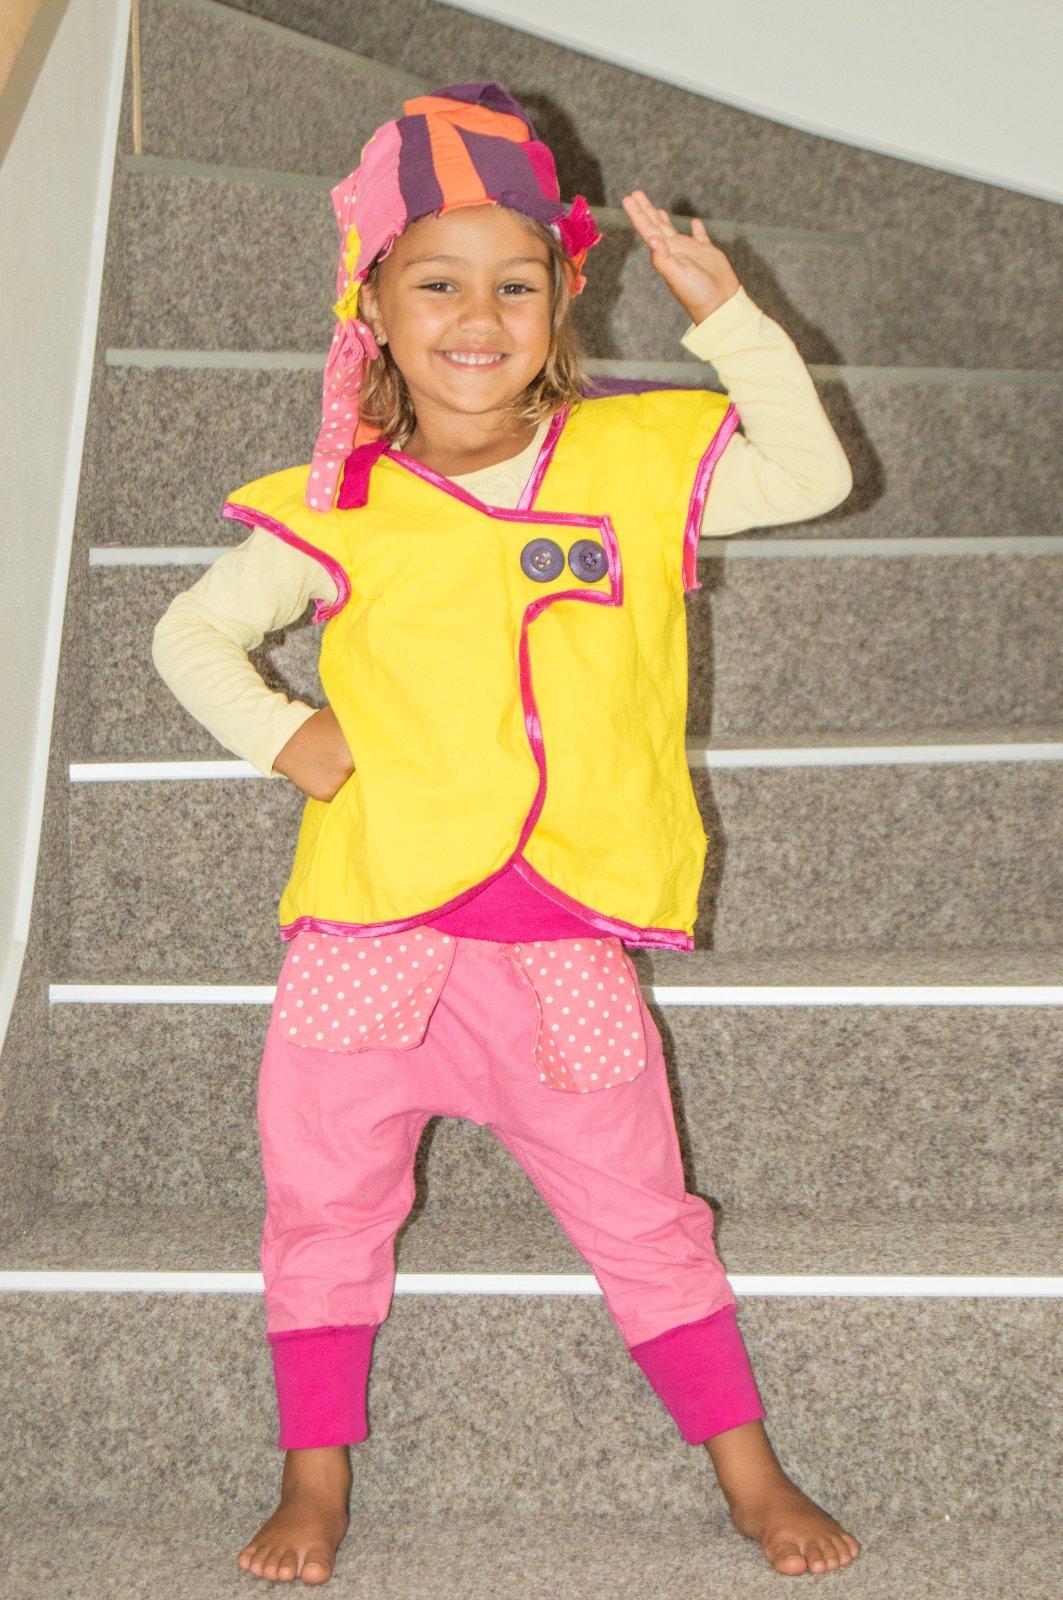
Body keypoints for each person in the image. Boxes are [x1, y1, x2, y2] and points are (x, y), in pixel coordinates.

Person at [152, 82, 860, 1586]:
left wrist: (731, 321)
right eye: (436, 284)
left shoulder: (633, 462)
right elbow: (191, 636)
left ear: (560, 303)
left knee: (644, 1211)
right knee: (324, 1208)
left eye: (515, 286)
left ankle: (749, 1472)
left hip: (560, 944)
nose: (477, 318)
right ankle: (313, 1476)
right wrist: (289, 737)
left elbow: (812, 475)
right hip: (372, 937)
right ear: (372, 309)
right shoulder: (336, 502)